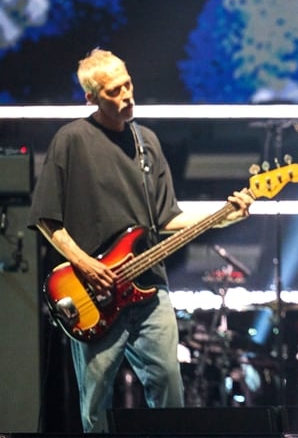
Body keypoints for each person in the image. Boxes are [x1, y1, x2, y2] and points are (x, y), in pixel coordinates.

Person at [28, 48, 255, 432]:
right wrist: (86, 264)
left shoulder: (146, 141)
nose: (127, 96)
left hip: (150, 289)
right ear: (91, 97)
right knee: (96, 403)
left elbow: (168, 219)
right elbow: (47, 219)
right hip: (93, 293)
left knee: (169, 387)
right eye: (114, 91)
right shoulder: (71, 140)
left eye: (128, 85)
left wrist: (224, 215)